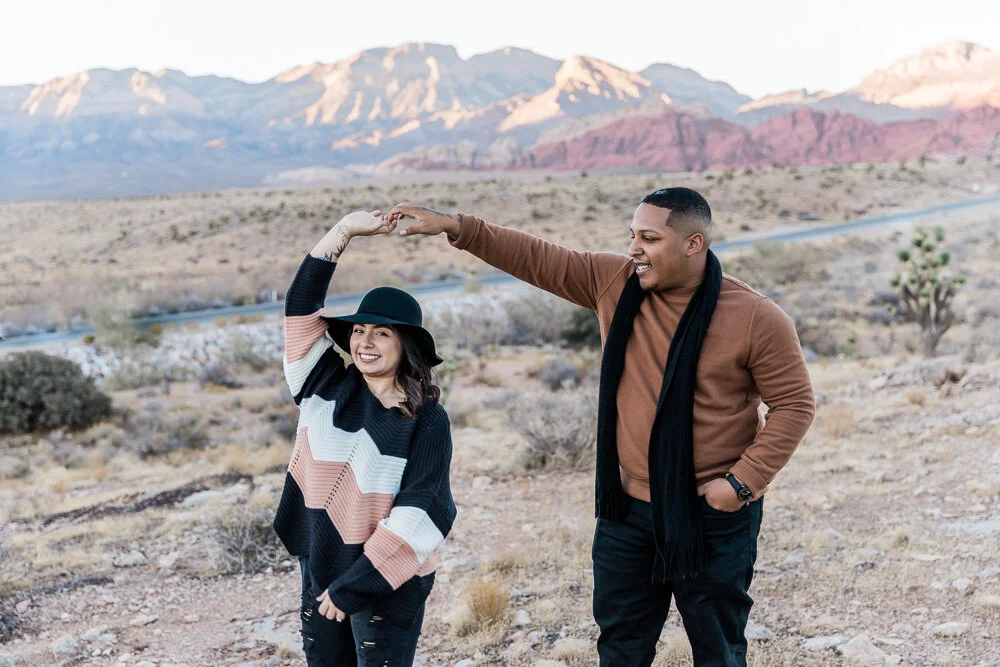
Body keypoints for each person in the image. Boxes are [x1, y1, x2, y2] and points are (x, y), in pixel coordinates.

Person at [387, 188, 815, 667]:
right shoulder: (615, 281)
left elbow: (795, 404)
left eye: (649, 238)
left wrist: (740, 484)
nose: (634, 248)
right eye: (631, 235)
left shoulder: (757, 317)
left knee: (718, 648)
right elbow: (537, 258)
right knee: (620, 647)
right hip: (626, 511)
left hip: (710, 516)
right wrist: (455, 227)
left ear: (694, 244)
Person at [272, 209, 456, 666]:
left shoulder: (427, 421)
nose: (364, 342)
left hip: (386, 575)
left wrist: (355, 584)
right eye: (358, 331)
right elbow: (300, 307)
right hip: (321, 563)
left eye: (381, 333)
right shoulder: (322, 383)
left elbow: (418, 513)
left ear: (405, 345)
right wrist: (344, 232)